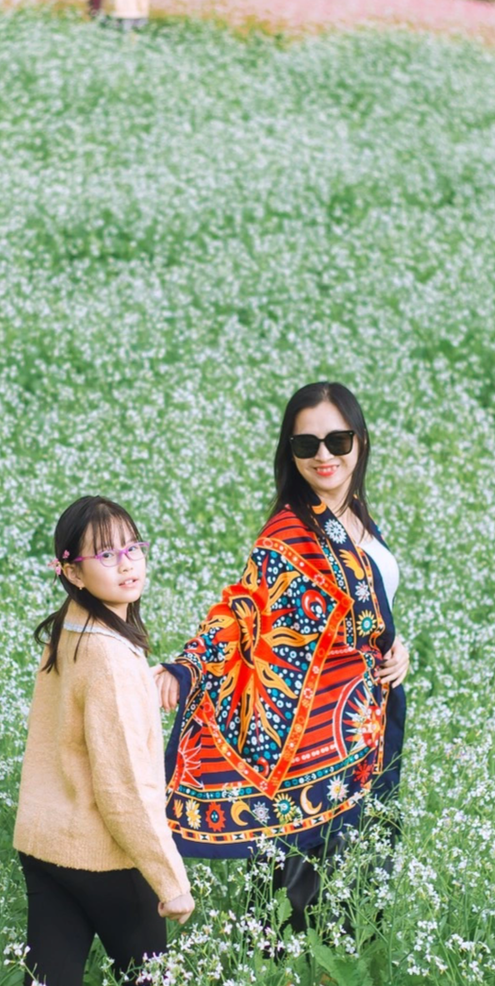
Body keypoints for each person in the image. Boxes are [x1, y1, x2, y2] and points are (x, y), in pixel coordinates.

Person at [154, 382, 409, 934]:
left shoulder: (359, 516)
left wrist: (397, 647)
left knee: (359, 889)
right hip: (309, 746)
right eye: (306, 445)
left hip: (368, 730)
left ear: (360, 443)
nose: (324, 456)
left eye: (337, 440)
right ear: (289, 453)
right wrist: (186, 666)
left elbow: (368, 607)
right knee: (297, 898)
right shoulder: (289, 532)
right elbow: (242, 612)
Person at [14, 496, 194, 986]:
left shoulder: (69, 628)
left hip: (47, 847)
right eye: (108, 555)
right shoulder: (111, 658)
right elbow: (125, 787)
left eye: (133, 547)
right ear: (71, 571)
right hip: (106, 857)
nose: (128, 564)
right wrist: (169, 880)